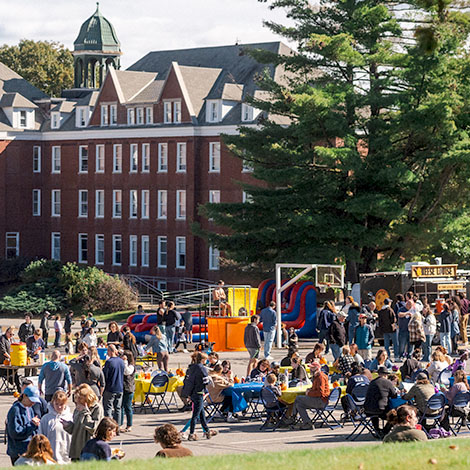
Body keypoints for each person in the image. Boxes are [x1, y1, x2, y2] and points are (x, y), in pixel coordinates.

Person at [181, 351, 217, 441]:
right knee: (195, 415)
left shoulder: (191, 368)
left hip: (192, 393)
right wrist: (209, 380)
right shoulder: (202, 368)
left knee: (202, 414)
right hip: (199, 393)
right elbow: (205, 381)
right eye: (205, 359)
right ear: (202, 360)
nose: (207, 361)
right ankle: (191, 433)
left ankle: (207, 431)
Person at [63, 383, 104, 461]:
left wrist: (85, 412)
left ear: (88, 397)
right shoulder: (78, 408)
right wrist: (68, 426)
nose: (78, 401)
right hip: (76, 450)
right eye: (77, 398)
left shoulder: (97, 408)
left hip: (90, 449)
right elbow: (76, 428)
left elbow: (93, 428)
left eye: (80, 398)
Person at [6, 385, 41, 465]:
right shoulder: (15, 410)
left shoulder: (29, 408)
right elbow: (15, 433)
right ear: (24, 396)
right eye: (31, 400)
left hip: (29, 450)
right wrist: (32, 425)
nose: (33, 403)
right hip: (18, 451)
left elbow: (33, 429)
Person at [291, 362, 329, 430]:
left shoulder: (320, 377)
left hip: (321, 401)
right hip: (319, 400)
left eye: (312, 368)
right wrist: (310, 389)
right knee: (299, 405)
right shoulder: (317, 376)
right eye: (310, 368)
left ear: (317, 369)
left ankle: (292, 418)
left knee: (298, 398)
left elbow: (320, 392)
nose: (310, 369)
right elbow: (316, 389)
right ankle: (307, 422)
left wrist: (309, 393)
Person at [38, 390, 72, 464]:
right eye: (57, 404)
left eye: (62, 404)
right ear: (52, 403)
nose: (59, 406)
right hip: (51, 457)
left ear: (66, 404)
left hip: (67, 456)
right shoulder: (46, 419)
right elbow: (40, 437)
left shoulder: (70, 418)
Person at [364, 366, 398, 437]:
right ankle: (385, 431)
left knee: (374, 412)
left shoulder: (372, 382)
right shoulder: (388, 382)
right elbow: (394, 396)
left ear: (378, 374)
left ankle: (377, 430)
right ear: (386, 375)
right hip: (381, 410)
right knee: (394, 416)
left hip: (367, 410)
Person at [102, 344, 125, 424]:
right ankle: (117, 427)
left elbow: (105, 376)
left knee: (108, 409)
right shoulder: (121, 361)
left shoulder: (109, 362)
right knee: (117, 409)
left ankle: (108, 427)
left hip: (110, 388)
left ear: (109, 351)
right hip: (119, 387)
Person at [0, 326, 21, 391]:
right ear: (7, 332)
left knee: (15, 372)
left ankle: (19, 387)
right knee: (13, 373)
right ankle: (13, 381)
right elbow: (3, 351)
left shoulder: (12, 339)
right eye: (10, 334)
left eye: (13, 334)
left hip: (11, 362)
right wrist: (10, 357)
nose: (11, 336)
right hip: (2, 363)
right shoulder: (2, 339)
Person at [121, 351, 135, 433]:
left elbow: (127, 372)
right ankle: (121, 424)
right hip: (122, 388)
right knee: (121, 407)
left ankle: (129, 425)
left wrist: (125, 362)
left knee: (128, 407)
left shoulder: (131, 366)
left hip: (128, 388)